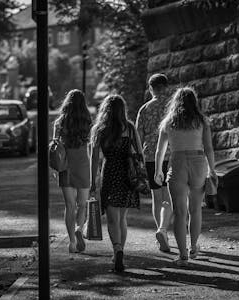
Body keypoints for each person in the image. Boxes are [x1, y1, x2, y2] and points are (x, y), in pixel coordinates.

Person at [154, 87, 216, 266]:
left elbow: (160, 151)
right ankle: (194, 246)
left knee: (180, 213)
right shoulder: (201, 121)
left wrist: (158, 170)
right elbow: (209, 148)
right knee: (195, 210)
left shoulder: (168, 122)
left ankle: (182, 256)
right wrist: (212, 169)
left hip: (177, 163)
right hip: (198, 162)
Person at [90, 94, 141, 272]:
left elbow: (95, 159)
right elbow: (139, 153)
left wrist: (92, 183)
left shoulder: (99, 129)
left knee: (112, 219)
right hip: (127, 175)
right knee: (122, 218)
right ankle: (120, 252)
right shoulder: (129, 128)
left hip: (109, 173)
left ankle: (117, 249)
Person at [135, 73, 173, 252]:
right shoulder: (173, 107)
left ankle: (160, 235)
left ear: (150, 89)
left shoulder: (144, 109)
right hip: (172, 155)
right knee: (169, 197)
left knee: (156, 197)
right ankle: (163, 229)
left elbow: (137, 137)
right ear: (166, 87)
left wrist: (138, 160)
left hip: (150, 156)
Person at [53, 89, 92, 253]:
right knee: (82, 204)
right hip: (83, 164)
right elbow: (90, 144)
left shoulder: (59, 122)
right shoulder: (88, 121)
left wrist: (54, 169)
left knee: (69, 205)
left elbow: (54, 146)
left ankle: (71, 242)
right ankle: (79, 227)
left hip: (65, 165)